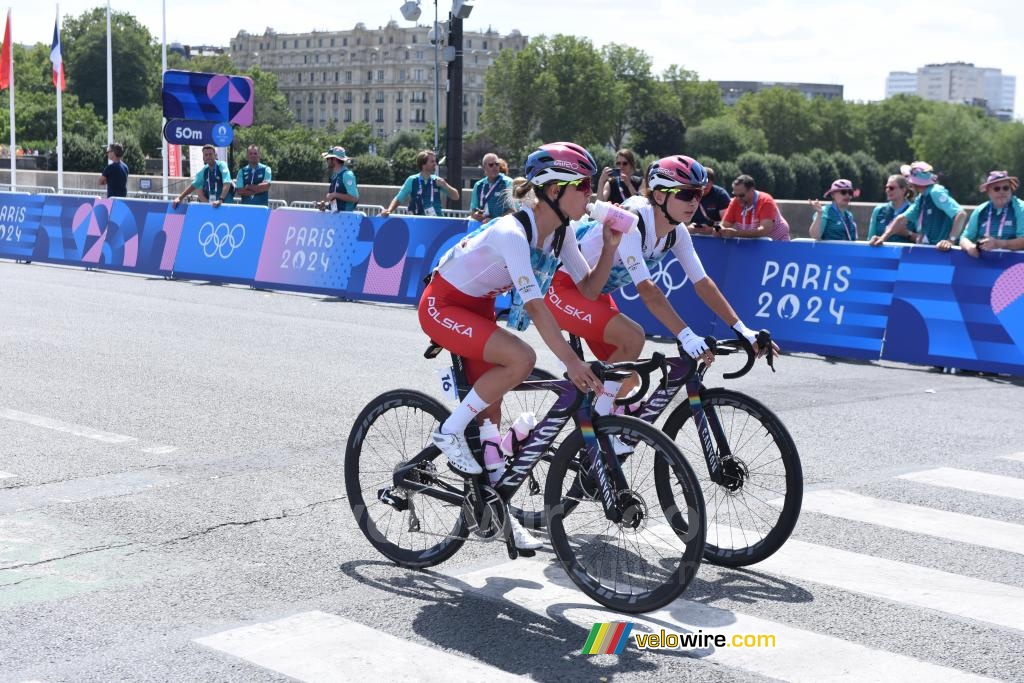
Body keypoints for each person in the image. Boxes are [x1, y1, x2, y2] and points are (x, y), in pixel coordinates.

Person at [418, 142, 620, 547]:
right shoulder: (513, 231)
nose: (590, 193)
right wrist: (571, 363)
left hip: (479, 310)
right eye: (582, 184)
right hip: (443, 304)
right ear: (553, 190)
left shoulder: (560, 234)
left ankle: (501, 516)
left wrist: (611, 247)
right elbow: (534, 304)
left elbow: (589, 290)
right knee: (522, 358)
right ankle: (449, 431)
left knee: (492, 435)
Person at [545, 155, 776, 419]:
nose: (694, 202)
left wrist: (742, 329)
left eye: (698, 194)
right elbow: (647, 290)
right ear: (658, 196)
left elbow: (702, 283)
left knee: (627, 381)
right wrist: (686, 336)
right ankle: (585, 426)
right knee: (633, 336)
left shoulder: (677, 232)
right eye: (686, 194)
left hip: (593, 294)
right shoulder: (632, 219)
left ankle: (594, 427)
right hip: (561, 288)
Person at [869, 161, 966, 250]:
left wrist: (950, 241)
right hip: (933, 251)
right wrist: (882, 238)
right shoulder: (921, 198)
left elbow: (961, 214)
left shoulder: (935, 192)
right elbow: (901, 219)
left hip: (943, 253)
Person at [959, 171, 1024, 257]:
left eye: (1005, 188)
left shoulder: (1021, 208)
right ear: (988, 192)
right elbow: (964, 238)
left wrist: (998, 244)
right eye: (997, 189)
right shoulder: (980, 210)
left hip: (1014, 266)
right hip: (984, 265)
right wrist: (970, 247)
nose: (1002, 191)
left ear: (1011, 189)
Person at [382, 149, 459, 216]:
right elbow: (399, 198)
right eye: (432, 161)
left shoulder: (438, 180)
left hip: (436, 221)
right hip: (418, 220)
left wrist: (446, 186)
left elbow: (456, 197)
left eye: (435, 161)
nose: (435, 164)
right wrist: (389, 210)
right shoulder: (412, 180)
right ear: (423, 164)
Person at [718, 174, 791, 240]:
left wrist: (736, 233)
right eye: (735, 195)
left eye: (741, 195)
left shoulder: (766, 201)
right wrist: (718, 230)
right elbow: (724, 225)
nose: (738, 199)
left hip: (777, 243)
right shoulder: (735, 202)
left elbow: (764, 230)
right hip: (755, 244)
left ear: (752, 190)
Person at [172, 144, 232, 209]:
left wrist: (221, 199)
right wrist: (180, 198)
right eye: (206, 155)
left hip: (225, 205)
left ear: (215, 155)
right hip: (213, 206)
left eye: (210, 154)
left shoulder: (222, 165)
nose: (208, 156)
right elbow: (194, 185)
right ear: (203, 157)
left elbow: (227, 183)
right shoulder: (204, 170)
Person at [867, 175, 914, 243]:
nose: (887, 190)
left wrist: (907, 233)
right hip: (882, 253)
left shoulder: (913, 210)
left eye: (891, 188)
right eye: (886, 187)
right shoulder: (879, 210)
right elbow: (870, 238)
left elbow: (922, 239)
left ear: (903, 190)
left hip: (905, 253)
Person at [469, 152, 512, 222]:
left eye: (497, 164)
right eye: (491, 165)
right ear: (484, 167)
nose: (495, 167)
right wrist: (476, 215)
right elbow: (473, 210)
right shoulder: (478, 185)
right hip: (482, 227)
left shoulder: (508, 183)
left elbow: (514, 210)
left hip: (502, 227)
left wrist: (493, 221)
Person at [688, 166, 731, 234]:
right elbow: (680, 220)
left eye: (709, 181)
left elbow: (727, 222)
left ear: (712, 182)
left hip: (716, 236)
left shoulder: (721, 195)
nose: (706, 185)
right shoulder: (687, 194)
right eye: (703, 181)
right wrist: (688, 228)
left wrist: (712, 229)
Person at [316, 146, 359, 212]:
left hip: (345, 218)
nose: (327, 161)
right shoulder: (335, 175)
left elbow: (354, 198)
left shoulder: (347, 175)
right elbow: (338, 203)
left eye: (328, 158)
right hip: (338, 218)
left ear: (334, 159)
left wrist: (335, 194)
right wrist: (327, 206)